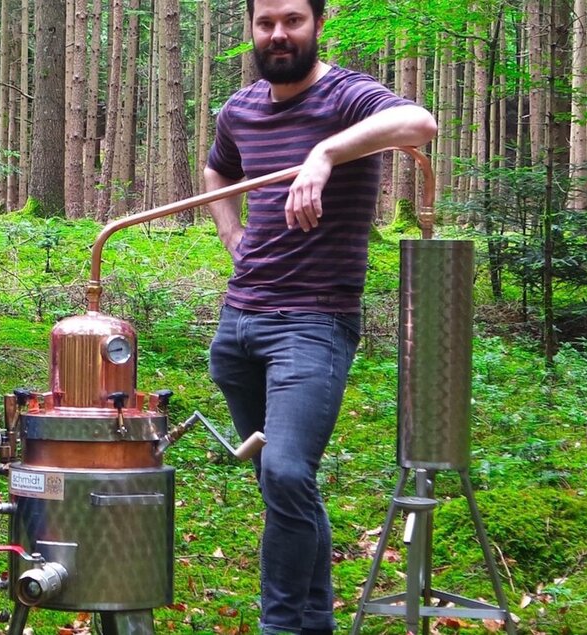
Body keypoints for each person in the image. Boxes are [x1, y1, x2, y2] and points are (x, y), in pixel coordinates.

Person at [203, 1, 437, 633]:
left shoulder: (346, 95)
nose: (278, 34)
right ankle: (316, 622)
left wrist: (326, 154)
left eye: (293, 20)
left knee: (284, 471)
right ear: (252, 29)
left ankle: (280, 625)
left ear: (317, 25)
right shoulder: (241, 109)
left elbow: (420, 123)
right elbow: (217, 168)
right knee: (286, 484)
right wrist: (233, 237)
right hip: (239, 325)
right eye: (265, 22)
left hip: (314, 323)